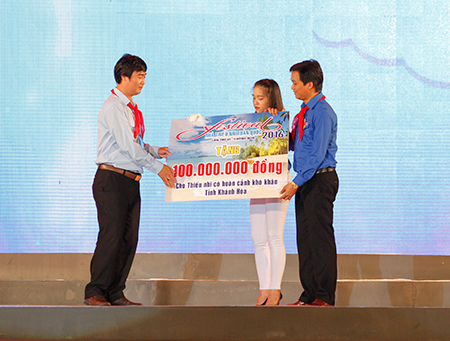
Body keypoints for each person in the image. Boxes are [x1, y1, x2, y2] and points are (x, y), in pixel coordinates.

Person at [84, 54, 176, 306]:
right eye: (139, 76)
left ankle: (115, 292)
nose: (142, 81)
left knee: (128, 238)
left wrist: (156, 151)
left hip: (129, 181)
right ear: (124, 76)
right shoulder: (114, 107)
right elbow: (126, 146)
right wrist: (159, 168)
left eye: (144, 76)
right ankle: (95, 290)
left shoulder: (130, 108)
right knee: (112, 236)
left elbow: (134, 143)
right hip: (111, 179)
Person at [279, 60, 339, 306]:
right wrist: (274, 123)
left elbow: (316, 154)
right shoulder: (303, 113)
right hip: (306, 181)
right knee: (305, 239)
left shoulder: (322, 112)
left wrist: (295, 183)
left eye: (295, 83)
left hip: (319, 179)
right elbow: (293, 143)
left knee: (320, 238)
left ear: (310, 84)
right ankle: (309, 293)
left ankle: (324, 295)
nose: (292, 87)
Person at [250, 79, 289, 306]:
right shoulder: (247, 124)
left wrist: (276, 120)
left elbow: (286, 147)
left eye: (260, 98)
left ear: (271, 98)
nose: (256, 102)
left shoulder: (281, 121)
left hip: (276, 182)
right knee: (258, 238)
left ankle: (275, 289)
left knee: (274, 236)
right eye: (253, 98)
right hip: (255, 183)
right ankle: (263, 288)